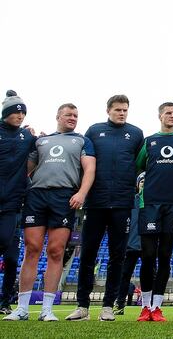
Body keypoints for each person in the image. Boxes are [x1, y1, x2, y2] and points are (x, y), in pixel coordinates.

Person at [4, 103, 96, 321]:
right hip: (36, 195)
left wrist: (82, 193)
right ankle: (22, 308)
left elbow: (90, 168)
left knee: (55, 251)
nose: (72, 118)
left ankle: (47, 309)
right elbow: (25, 168)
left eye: (75, 115)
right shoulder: (41, 141)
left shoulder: (83, 140)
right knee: (32, 248)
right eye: (68, 115)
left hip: (64, 197)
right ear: (58, 117)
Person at [67, 95, 144, 321]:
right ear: (108, 110)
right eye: (118, 109)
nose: (122, 113)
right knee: (88, 253)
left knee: (117, 256)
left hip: (122, 203)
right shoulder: (93, 131)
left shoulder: (136, 134)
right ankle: (82, 306)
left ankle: (108, 306)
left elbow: (141, 163)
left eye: (125, 110)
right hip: (96, 202)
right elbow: (84, 162)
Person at [135, 102, 173, 322]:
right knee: (148, 256)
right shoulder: (149, 141)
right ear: (160, 115)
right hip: (150, 204)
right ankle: (145, 307)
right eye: (168, 113)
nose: (172, 116)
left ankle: (157, 308)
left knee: (165, 256)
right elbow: (139, 164)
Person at [0, 90, 37, 315]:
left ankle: (5, 301)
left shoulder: (26, 137)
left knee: (11, 256)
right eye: (16, 112)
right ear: (6, 113)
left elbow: (40, 149)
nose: (20, 116)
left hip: (13, 203)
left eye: (23, 113)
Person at [114, 172, 145, 315]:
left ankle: (147, 306)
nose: (144, 183)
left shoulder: (153, 203)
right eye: (141, 181)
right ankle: (119, 304)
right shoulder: (130, 201)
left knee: (149, 276)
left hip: (147, 246)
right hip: (130, 245)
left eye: (146, 181)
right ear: (137, 184)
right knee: (124, 276)